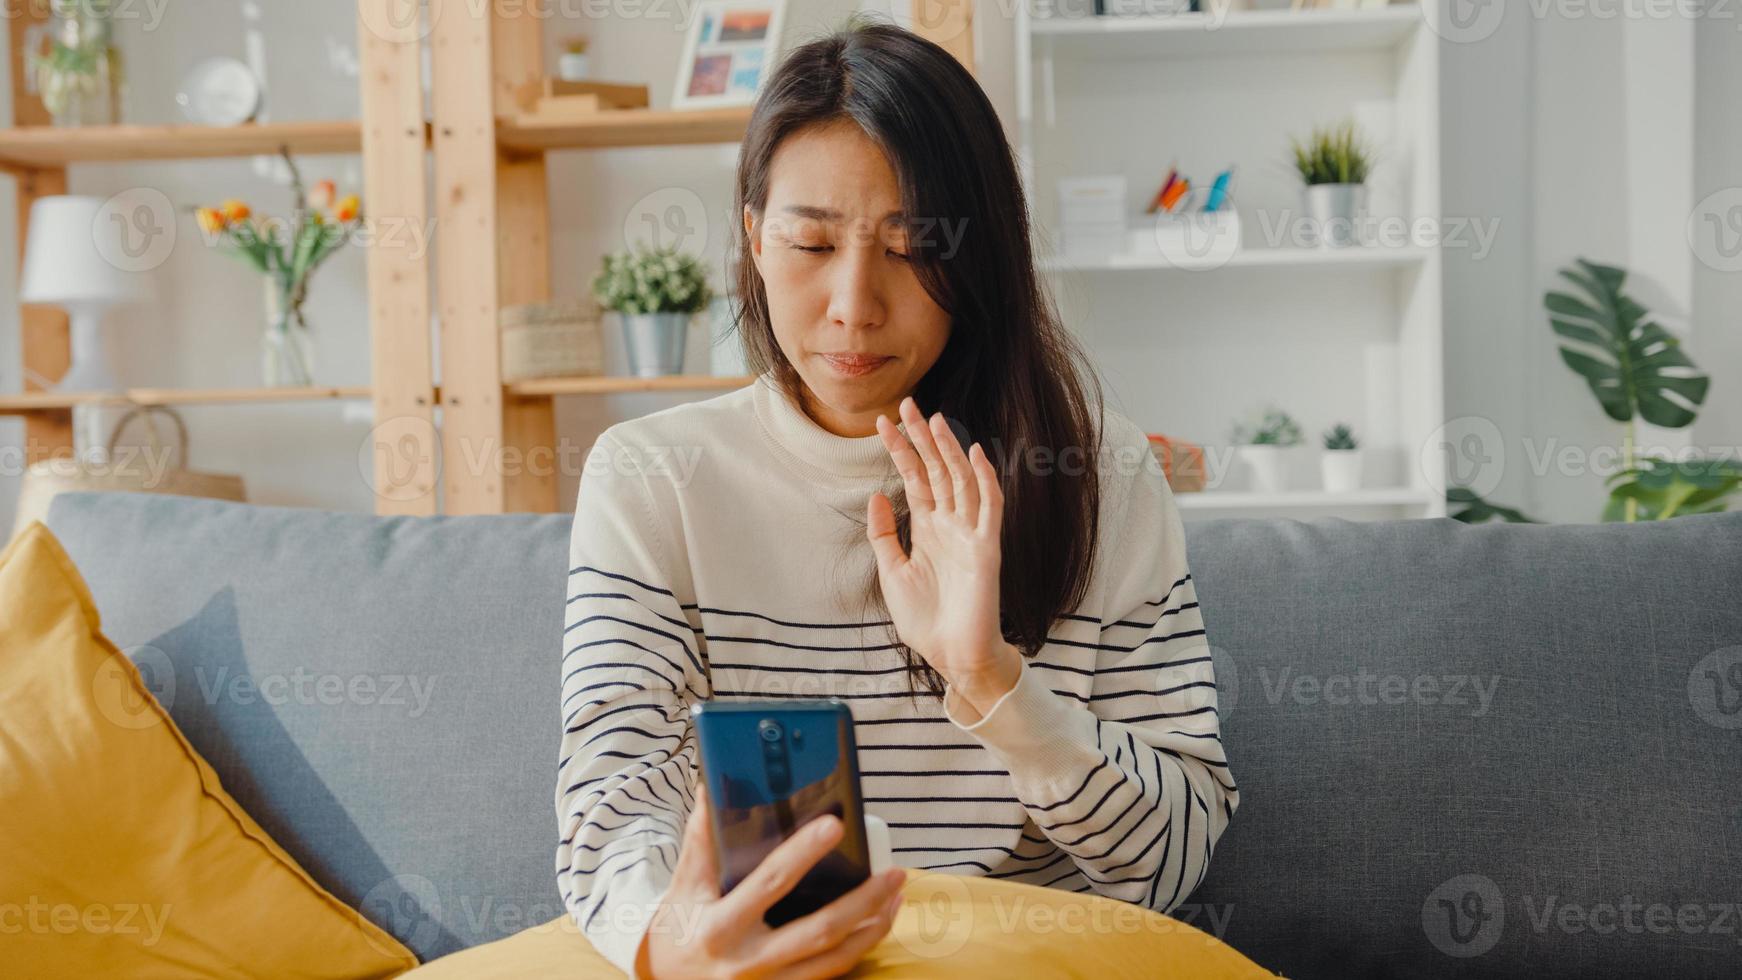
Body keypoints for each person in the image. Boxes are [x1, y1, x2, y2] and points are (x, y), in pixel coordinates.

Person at [556, 18, 1238, 979]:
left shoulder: (1100, 472)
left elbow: (1168, 862)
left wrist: (993, 681)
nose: (854, 304)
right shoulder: (651, 479)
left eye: (913, 246)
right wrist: (673, 949)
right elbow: (611, 819)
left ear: (978, 257)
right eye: (808, 242)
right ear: (753, 239)